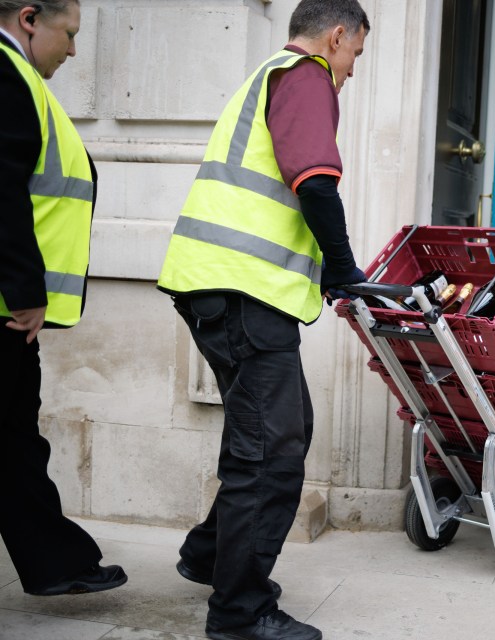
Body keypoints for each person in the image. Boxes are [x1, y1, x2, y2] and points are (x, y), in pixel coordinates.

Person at [156, 1, 369, 638]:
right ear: (337, 37)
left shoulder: (268, 74)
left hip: (218, 287)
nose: (352, 71)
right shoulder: (307, 76)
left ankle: (207, 557)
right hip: (244, 293)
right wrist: (345, 267)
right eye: (356, 54)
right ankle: (240, 612)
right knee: (271, 453)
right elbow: (314, 180)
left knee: (277, 428)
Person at [0, 0, 128, 597]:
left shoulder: (16, 73)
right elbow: (3, 194)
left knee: (16, 440)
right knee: (14, 438)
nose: (73, 51)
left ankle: (57, 563)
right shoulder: (6, 74)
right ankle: (58, 562)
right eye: (68, 34)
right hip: (7, 308)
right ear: (30, 18)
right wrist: (23, 293)